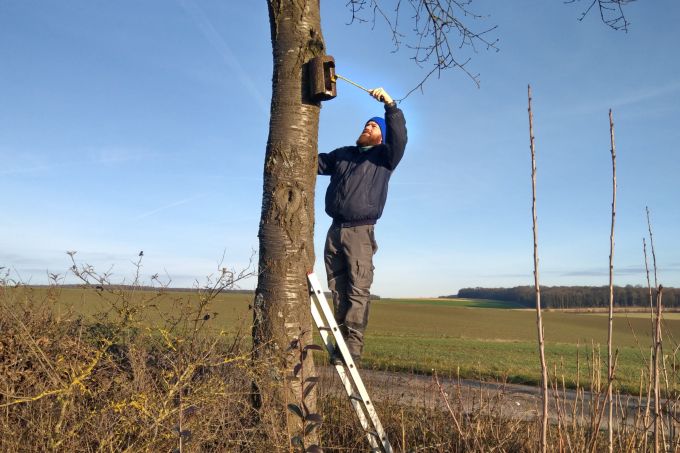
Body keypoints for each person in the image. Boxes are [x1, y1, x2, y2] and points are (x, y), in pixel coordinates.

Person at [317, 87, 407, 365]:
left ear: (382, 135)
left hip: (360, 232)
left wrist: (390, 106)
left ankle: (352, 349)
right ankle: (341, 342)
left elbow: (400, 138)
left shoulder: (384, 158)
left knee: (358, 288)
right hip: (334, 230)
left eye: (373, 126)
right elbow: (315, 162)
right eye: (365, 125)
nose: (367, 128)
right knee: (339, 288)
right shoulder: (344, 154)